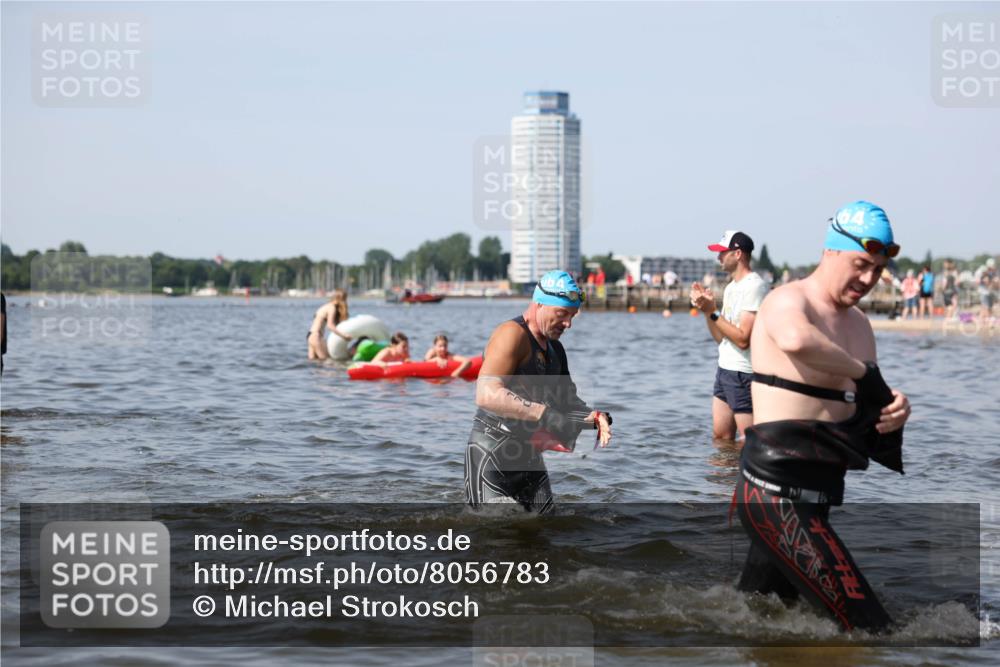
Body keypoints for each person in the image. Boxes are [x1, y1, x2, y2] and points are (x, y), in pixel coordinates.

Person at [734, 201, 911, 634]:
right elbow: (797, 341)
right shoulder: (787, 300)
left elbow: (867, 407)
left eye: (877, 270)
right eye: (860, 265)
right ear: (831, 251)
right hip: (775, 495)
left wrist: (893, 412)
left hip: (821, 496)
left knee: (755, 623)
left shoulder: (860, 326)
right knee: (873, 631)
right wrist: (859, 372)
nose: (868, 279)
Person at [465, 270, 613, 513]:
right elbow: (486, 394)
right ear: (540, 304)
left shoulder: (555, 349)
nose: (568, 324)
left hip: (530, 457)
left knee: (548, 529)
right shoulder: (511, 334)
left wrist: (596, 418)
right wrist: (544, 414)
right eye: (562, 314)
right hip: (492, 452)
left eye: (573, 316)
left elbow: (568, 405)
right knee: (496, 535)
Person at [690, 231, 768, 441]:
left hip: (744, 373)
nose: (718, 258)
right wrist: (708, 310)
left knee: (749, 441)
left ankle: (744, 475)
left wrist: (714, 312)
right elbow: (721, 338)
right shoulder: (731, 288)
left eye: (722, 253)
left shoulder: (755, 286)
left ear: (738, 254)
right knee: (721, 438)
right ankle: (725, 475)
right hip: (725, 369)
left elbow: (743, 339)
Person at [307, 289, 351, 360]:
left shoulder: (325, 306)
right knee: (325, 362)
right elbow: (330, 325)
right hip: (316, 336)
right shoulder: (332, 308)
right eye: (345, 299)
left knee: (313, 362)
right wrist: (344, 336)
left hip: (310, 336)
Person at [976, 258, 997, 323]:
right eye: (993, 265)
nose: (994, 267)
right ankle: (985, 319)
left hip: (988, 291)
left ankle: (986, 318)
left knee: (988, 305)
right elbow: (979, 281)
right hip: (983, 291)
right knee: (985, 306)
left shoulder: (991, 272)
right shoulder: (983, 271)